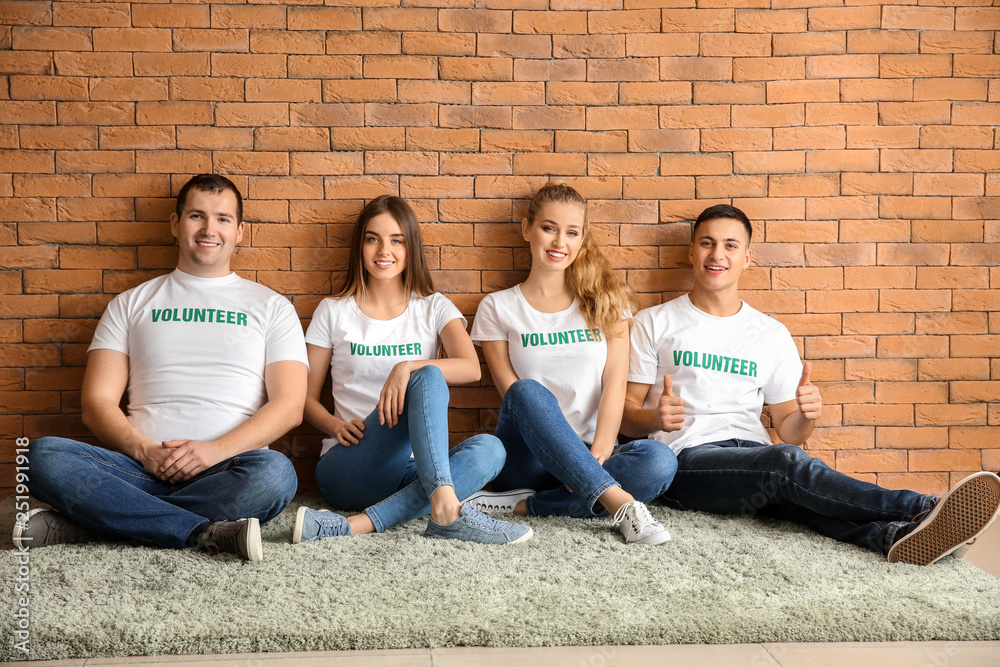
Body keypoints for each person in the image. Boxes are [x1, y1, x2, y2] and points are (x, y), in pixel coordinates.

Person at [621, 203, 1000, 565]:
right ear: (692, 252)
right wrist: (654, 417)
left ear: (747, 258)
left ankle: (894, 538)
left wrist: (806, 415)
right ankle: (924, 507)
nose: (717, 254)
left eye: (730, 245)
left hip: (752, 461)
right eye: (707, 243)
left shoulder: (769, 333)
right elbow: (623, 417)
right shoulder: (654, 322)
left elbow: (791, 432)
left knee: (802, 502)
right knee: (785, 465)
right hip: (687, 462)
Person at [14, 174, 308, 562]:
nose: (209, 229)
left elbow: (289, 405)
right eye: (196, 216)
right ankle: (203, 530)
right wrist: (146, 451)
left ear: (239, 231)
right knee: (39, 456)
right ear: (175, 223)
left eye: (222, 219)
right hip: (138, 468)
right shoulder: (131, 303)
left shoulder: (272, 307)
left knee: (275, 475)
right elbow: (96, 402)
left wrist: (212, 452)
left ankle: (91, 522)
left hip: (229, 468)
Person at [295, 195, 531, 545]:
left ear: (410, 247)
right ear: (360, 246)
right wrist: (335, 425)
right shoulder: (334, 311)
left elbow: (471, 368)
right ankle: (447, 508)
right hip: (351, 461)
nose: (383, 250)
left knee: (492, 450)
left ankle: (365, 523)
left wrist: (406, 367)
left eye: (396, 240)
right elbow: (305, 398)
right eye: (372, 238)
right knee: (430, 376)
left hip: (413, 469)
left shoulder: (434, 307)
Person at [466, 181, 677, 545]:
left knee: (659, 460)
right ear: (527, 229)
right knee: (526, 390)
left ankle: (528, 507)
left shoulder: (607, 303)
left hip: (593, 453)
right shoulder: (497, 308)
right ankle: (621, 504)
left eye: (571, 232)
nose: (559, 242)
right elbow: (512, 395)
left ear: (582, 240)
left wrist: (598, 454)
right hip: (527, 459)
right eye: (549, 228)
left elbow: (615, 382)